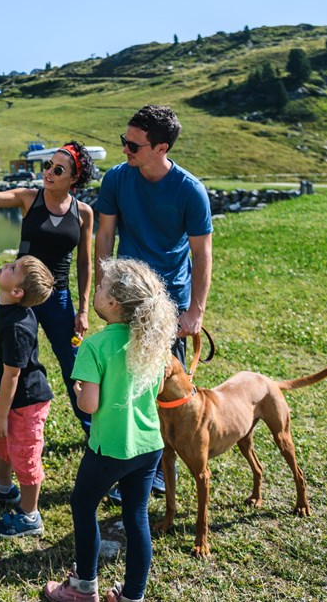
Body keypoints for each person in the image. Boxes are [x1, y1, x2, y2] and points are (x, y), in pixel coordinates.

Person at [41, 258, 178, 602]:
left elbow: (88, 405)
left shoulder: (94, 346)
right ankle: (133, 596)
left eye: (101, 287)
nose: (96, 290)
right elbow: (158, 387)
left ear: (113, 303)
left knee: (82, 504)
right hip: (148, 447)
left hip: (109, 449)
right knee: (136, 515)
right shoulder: (153, 341)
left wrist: (77, 390)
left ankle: (84, 587)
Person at [94, 104, 212, 495]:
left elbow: (202, 253)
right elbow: (105, 236)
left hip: (169, 303)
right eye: (124, 140)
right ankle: (125, 458)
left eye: (133, 144)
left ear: (161, 148)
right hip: (125, 296)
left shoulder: (189, 190)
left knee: (160, 388)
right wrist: (103, 284)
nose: (125, 149)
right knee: (123, 379)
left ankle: (158, 467)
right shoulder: (116, 179)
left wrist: (195, 310)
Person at [0, 133, 95, 425]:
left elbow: (84, 262)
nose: (48, 172)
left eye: (58, 169)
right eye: (48, 165)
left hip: (58, 298)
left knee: (74, 365)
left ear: (74, 178)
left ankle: (91, 431)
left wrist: (82, 309)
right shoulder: (28, 198)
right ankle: (14, 426)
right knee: (17, 364)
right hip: (22, 298)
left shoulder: (83, 213)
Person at [0, 255, 56, 537]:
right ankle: (4, 488)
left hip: (25, 403)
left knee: (25, 455)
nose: (7, 265)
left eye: (13, 269)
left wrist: (4, 414)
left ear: (17, 292)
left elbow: (13, 375)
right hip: (7, 394)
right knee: (0, 440)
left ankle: (30, 515)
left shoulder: (18, 326)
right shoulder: (3, 303)